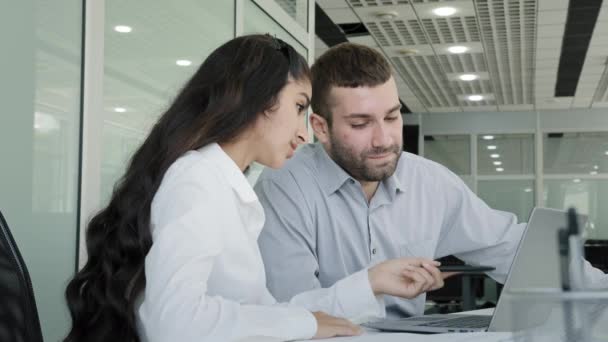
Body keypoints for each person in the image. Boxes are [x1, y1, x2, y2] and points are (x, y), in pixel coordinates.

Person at [62, 35, 447, 342]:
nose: (304, 131)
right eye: (299, 107)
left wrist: (369, 283)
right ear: (259, 102)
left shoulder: (223, 185)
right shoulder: (197, 181)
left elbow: (268, 310)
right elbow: (174, 323)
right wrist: (304, 326)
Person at [254, 42, 608, 319]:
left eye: (392, 117)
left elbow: (509, 248)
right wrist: (370, 285)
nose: (384, 139)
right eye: (360, 124)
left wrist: (601, 292)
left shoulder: (429, 182)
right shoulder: (285, 186)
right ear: (320, 128)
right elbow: (290, 312)